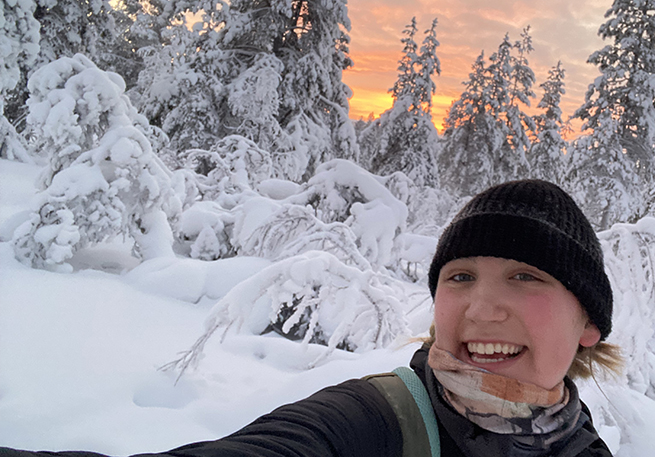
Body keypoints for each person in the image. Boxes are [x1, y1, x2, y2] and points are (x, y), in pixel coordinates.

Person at [0, 179, 621, 457]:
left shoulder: (581, 443)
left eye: (526, 276)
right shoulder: (374, 421)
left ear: (588, 324)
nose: (482, 308)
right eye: (460, 277)